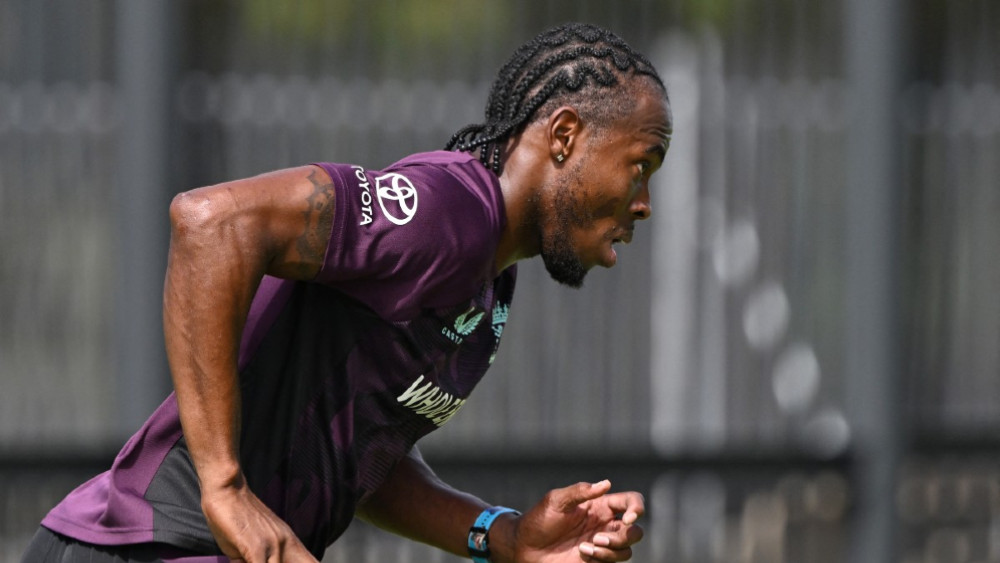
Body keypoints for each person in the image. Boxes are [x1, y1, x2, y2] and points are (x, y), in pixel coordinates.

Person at [23, 22, 672, 563]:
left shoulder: (491, 281)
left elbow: (363, 459)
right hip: (150, 540)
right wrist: (224, 488)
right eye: (640, 164)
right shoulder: (447, 212)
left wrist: (503, 535)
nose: (644, 204)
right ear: (564, 136)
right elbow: (212, 221)